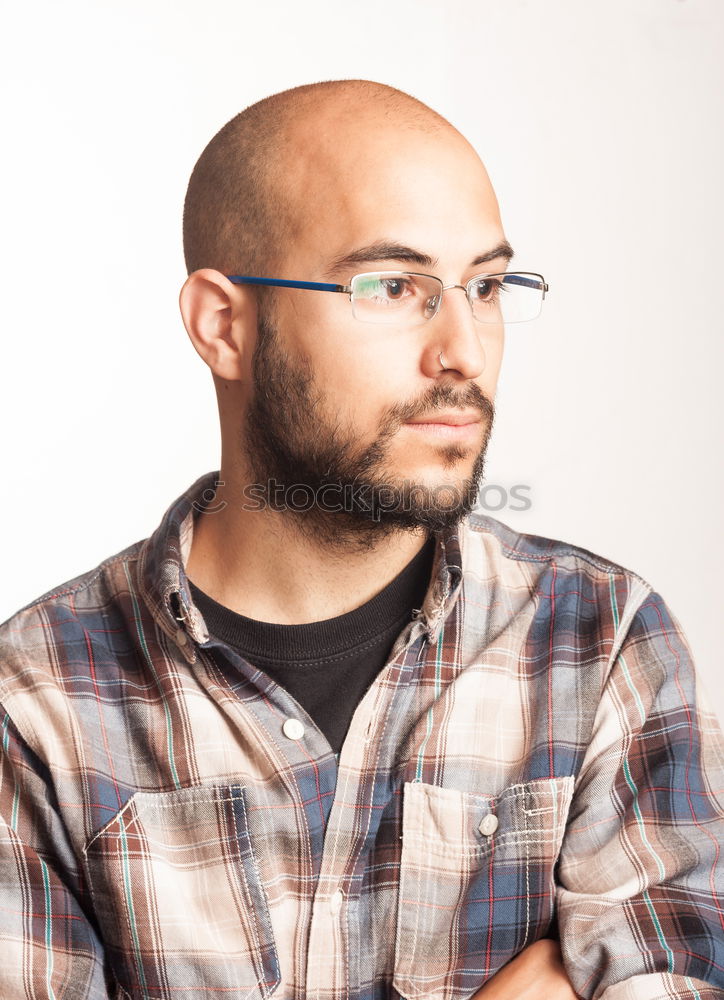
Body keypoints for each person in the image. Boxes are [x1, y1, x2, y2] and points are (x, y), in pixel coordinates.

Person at [0, 78, 722, 1000]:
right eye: (392, 286)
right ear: (225, 324)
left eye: (488, 286)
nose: (463, 349)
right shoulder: (37, 701)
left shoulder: (601, 639)